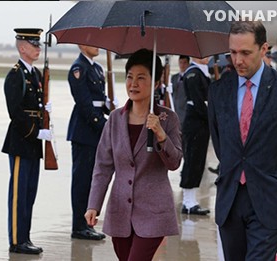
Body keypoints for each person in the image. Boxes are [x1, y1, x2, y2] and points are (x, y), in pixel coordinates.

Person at [85, 48, 183, 261]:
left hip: (154, 213)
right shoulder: (114, 120)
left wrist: (160, 134)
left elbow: (174, 162)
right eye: (130, 77)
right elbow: (102, 166)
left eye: (141, 78)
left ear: (156, 83)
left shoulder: (168, 119)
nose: (133, 84)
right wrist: (94, 204)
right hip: (120, 212)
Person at [208, 20, 277, 261]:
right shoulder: (218, 90)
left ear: (264, 49)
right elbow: (220, 143)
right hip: (230, 200)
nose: (238, 60)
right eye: (232, 52)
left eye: (245, 53)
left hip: (269, 198)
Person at [2, 28, 52, 255]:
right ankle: (16, 240)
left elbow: (35, 106)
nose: (38, 48)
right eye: (34, 44)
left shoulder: (36, 74)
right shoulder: (16, 75)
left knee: (30, 193)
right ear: (22, 47)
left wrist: (45, 113)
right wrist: (36, 133)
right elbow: (15, 112)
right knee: (19, 194)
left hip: (33, 142)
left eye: (39, 44)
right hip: (22, 140)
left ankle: (25, 237)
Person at [67, 45, 116, 240]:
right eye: (92, 42)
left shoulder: (96, 68)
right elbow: (85, 104)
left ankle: (87, 223)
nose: (97, 47)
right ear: (81, 45)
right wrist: (105, 125)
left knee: (93, 179)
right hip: (85, 130)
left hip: (95, 130)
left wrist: (111, 108)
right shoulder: (78, 68)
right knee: (82, 180)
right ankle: (79, 226)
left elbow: (100, 99)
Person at [179, 56, 211, 215]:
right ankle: (188, 201)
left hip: (201, 123)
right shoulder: (192, 73)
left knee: (198, 161)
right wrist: (212, 117)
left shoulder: (202, 72)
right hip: (195, 122)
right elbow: (199, 102)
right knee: (192, 160)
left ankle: (191, 200)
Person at [171, 55, 190, 127]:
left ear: (188, 64)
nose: (182, 65)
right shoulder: (174, 77)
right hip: (175, 108)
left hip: (185, 110)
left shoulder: (189, 76)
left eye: (184, 63)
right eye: (181, 62)